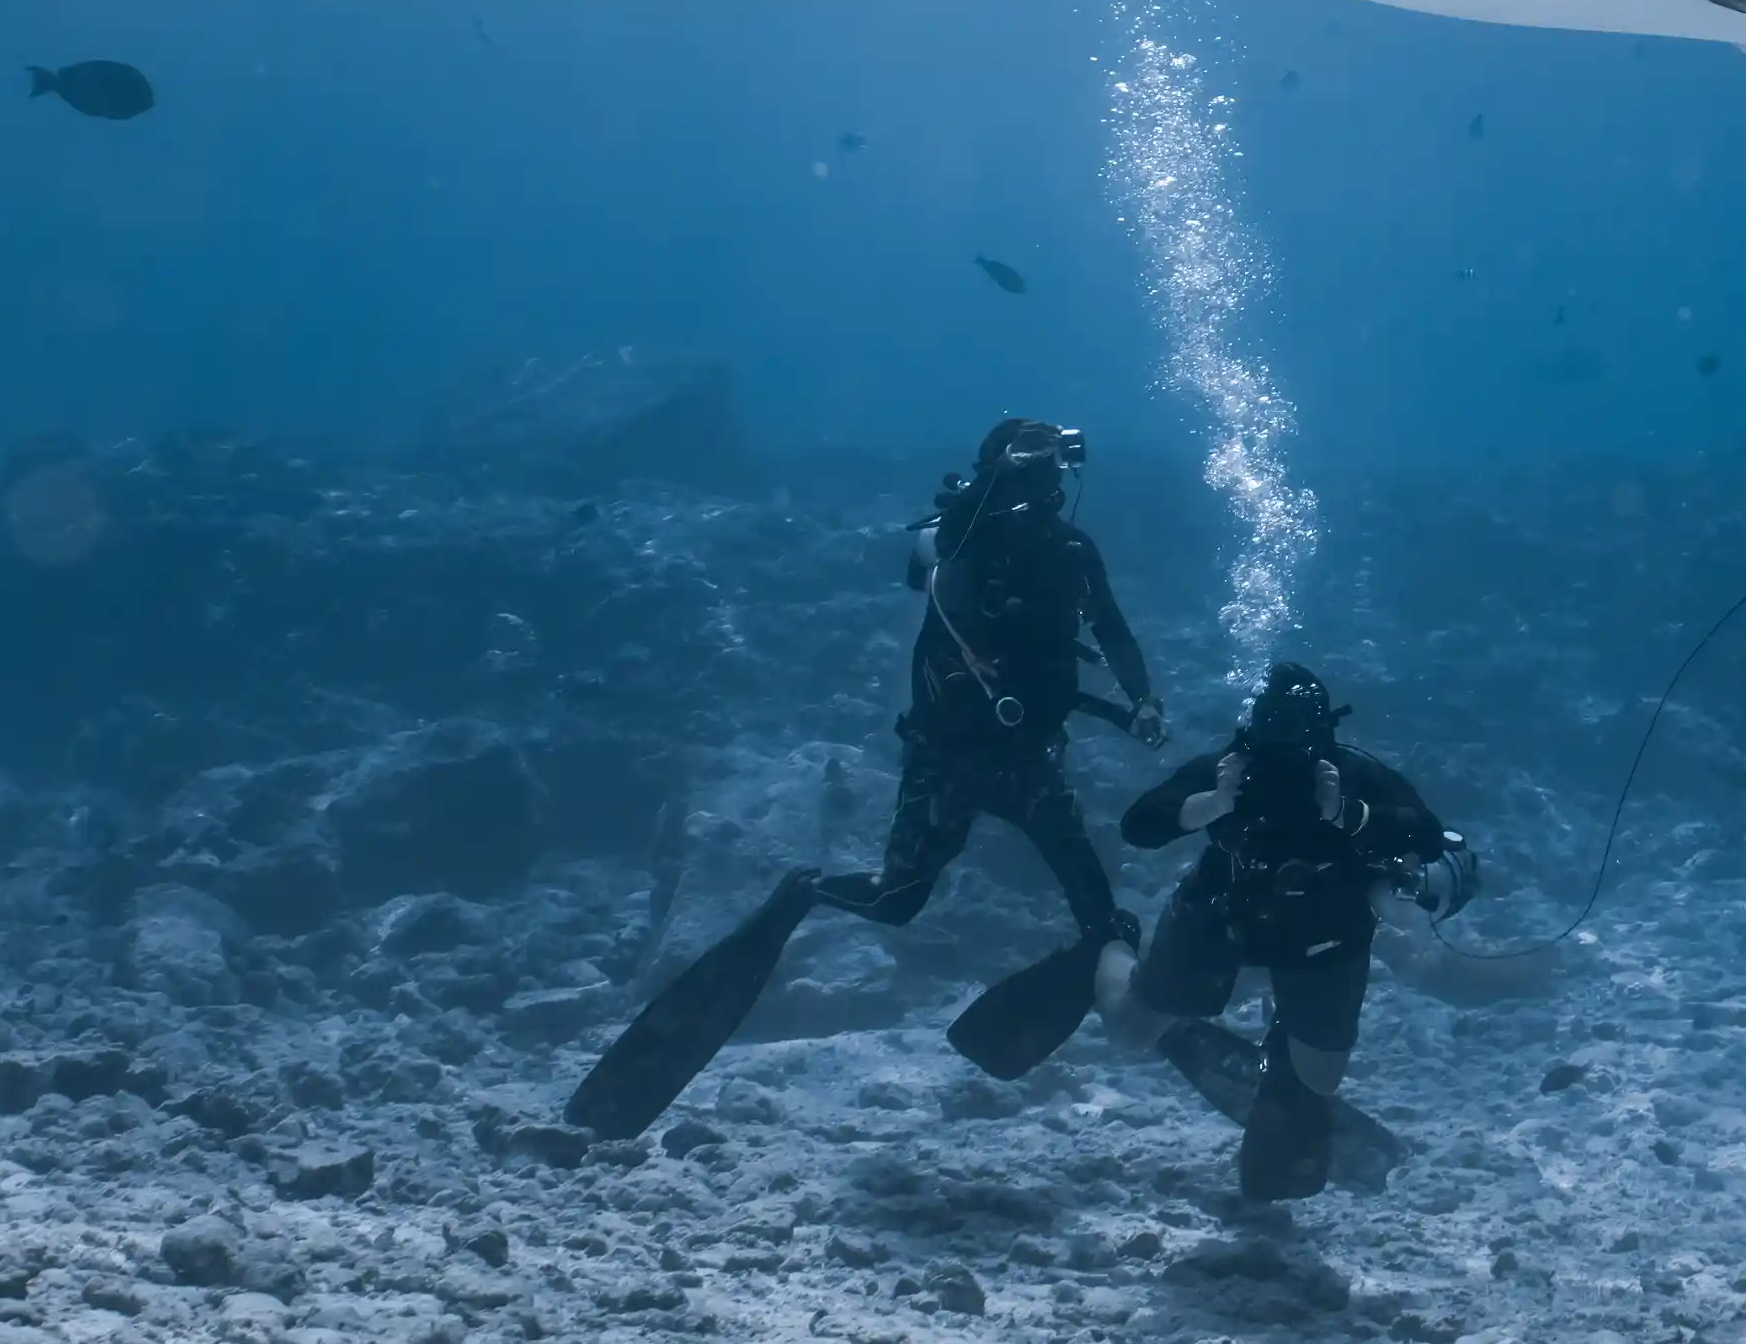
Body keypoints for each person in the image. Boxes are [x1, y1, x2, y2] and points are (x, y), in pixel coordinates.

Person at [566, 413, 1166, 1136]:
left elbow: (1112, 629)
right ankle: (802, 893)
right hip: (946, 755)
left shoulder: (1071, 550)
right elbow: (928, 579)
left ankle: (1148, 1015)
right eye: (1028, 467)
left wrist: (1141, 699)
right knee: (894, 901)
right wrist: (982, 493)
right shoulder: (958, 536)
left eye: (1050, 469)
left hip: (1029, 759)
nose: (1043, 483)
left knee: (1101, 917)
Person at [1119, 658, 1476, 1205]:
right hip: (1224, 915)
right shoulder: (1226, 772)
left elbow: (1431, 838)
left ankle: (1282, 1052)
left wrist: (1349, 815)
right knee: (1132, 1027)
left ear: (1325, 732)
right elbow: (1139, 824)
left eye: (1298, 730)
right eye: (1272, 727)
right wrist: (1209, 805)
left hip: (1325, 927)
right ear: (1252, 726)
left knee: (1320, 1075)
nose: (1284, 750)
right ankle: (1111, 951)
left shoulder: (1353, 775)